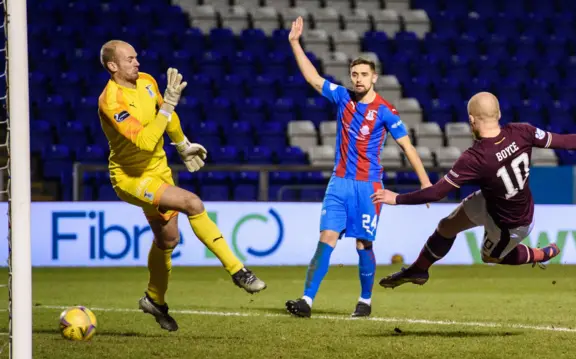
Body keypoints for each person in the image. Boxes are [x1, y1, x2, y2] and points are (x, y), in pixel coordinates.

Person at [372, 92, 576, 287]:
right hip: (492, 201)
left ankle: (541, 253)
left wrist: (398, 198)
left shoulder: (474, 157)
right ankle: (418, 269)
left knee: (491, 257)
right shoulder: (523, 132)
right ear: (499, 114)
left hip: (511, 222)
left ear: (471, 120)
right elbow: (565, 141)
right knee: (446, 226)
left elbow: (437, 193)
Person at [97, 40, 266, 331]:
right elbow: (145, 140)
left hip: (158, 169)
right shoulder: (111, 101)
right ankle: (239, 271)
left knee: (168, 240)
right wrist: (169, 106)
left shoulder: (147, 81)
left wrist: (182, 144)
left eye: (137, 57)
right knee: (193, 203)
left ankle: (154, 299)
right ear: (113, 66)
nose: (137, 62)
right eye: (129, 59)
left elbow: (167, 114)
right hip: (130, 177)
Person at [284, 17, 432, 318]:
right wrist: (294, 43)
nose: (358, 79)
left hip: (369, 186)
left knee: (364, 243)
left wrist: (427, 185)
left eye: (364, 74)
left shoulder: (386, 112)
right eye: (354, 74)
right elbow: (313, 78)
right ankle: (306, 301)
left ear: (374, 77)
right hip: (339, 183)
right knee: (327, 237)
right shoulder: (343, 98)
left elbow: (408, 147)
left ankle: (365, 301)